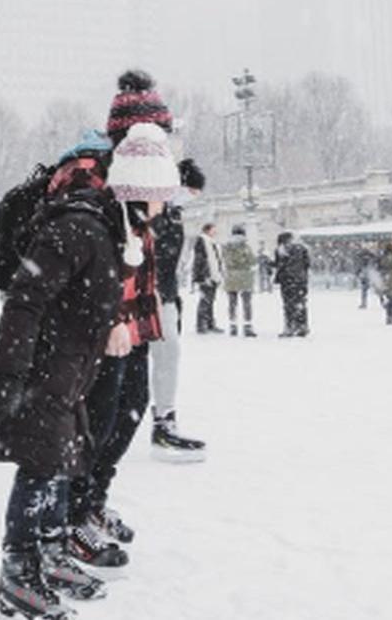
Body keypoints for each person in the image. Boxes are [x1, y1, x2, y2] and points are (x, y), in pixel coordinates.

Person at [0, 131, 124, 617]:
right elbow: (24, 302)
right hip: (48, 366)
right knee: (40, 466)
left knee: (62, 459)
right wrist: (11, 375)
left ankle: (51, 552)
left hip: (68, 365)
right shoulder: (73, 224)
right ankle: (18, 575)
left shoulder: (91, 221)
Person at [69, 118, 180, 572]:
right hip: (107, 333)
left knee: (130, 409)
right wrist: (113, 319)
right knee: (98, 421)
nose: (164, 205)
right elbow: (97, 277)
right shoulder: (109, 212)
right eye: (160, 195)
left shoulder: (138, 219)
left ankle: (92, 499)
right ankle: (73, 515)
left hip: (133, 327)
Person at [149, 158, 208, 462]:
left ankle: (164, 417)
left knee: (168, 352)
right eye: (191, 190)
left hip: (165, 294)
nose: (193, 196)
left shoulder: (172, 213)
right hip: (150, 295)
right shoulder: (153, 211)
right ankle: (159, 419)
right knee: (160, 354)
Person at [222, 224, 257, 337]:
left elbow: (225, 260)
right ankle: (247, 326)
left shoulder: (226, 247)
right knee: (246, 303)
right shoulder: (245, 246)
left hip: (231, 276)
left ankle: (233, 326)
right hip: (245, 276)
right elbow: (252, 261)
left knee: (232, 303)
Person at [275, 232, 311, 337]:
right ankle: (302, 326)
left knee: (288, 305)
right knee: (300, 303)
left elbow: (279, 265)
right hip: (301, 280)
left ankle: (289, 327)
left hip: (287, 281)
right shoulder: (302, 248)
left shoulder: (281, 250)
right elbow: (307, 263)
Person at [192, 222, 224, 333]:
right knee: (205, 300)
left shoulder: (212, 242)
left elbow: (216, 260)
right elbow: (199, 260)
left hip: (213, 275)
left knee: (210, 301)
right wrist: (203, 276)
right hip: (206, 276)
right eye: (213, 229)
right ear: (207, 230)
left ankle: (210, 323)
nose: (215, 232)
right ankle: (201, 325)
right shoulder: (202, 241)